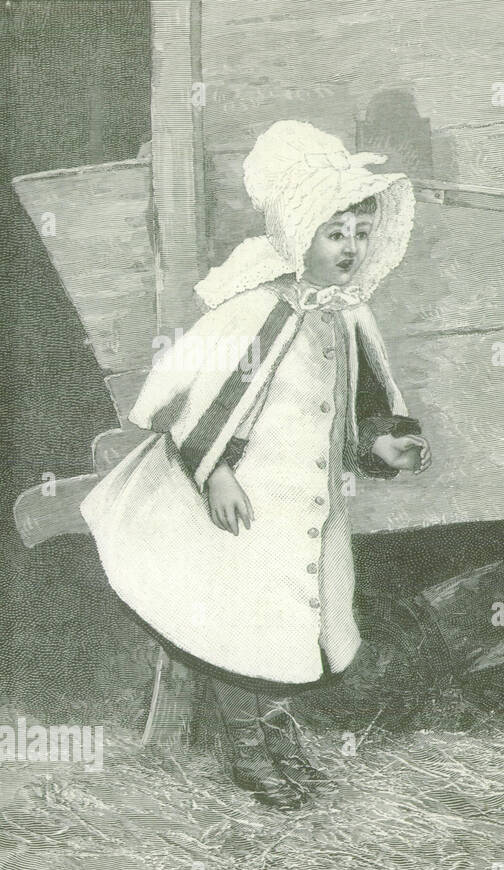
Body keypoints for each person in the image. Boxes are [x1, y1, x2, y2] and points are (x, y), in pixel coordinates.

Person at [82, 120, 430, 808]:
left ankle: (278, 737)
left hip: (305, 505)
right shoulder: (260, 312)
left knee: (286, 626)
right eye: (337, 234)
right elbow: (203, 400)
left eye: (360, 232)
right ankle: (246, 750)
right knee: (238, 623)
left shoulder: (345, 315)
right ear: (301, 234)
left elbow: (355, 410)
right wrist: (215, 472)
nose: (350, 248)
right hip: (242, 503)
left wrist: (381, 442)